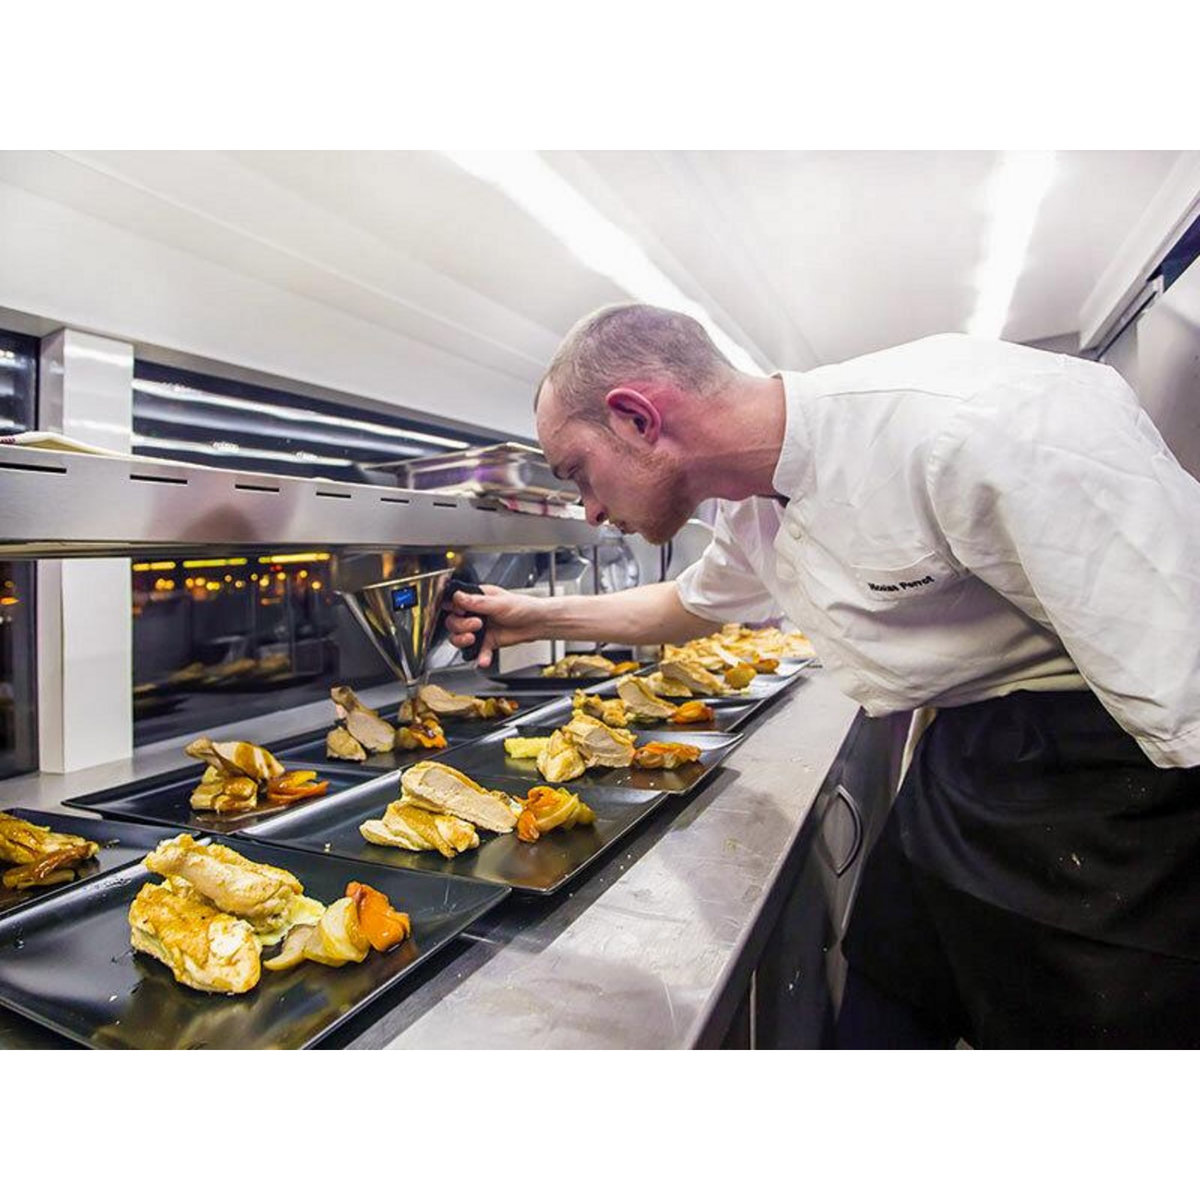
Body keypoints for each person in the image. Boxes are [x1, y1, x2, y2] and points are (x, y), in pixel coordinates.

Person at [445, 301, 1200, 1048]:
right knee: (881, 1004)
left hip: (1120, 783)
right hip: (964, 767)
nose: (589, 512)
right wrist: (535, 616)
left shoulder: (979, 421)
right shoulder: (747, 507)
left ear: (638, 419)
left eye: (577, 472)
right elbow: (685, 606)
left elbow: (1186, 673)